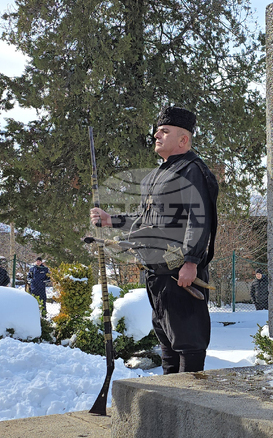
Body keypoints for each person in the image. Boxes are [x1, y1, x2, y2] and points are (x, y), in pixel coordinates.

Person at [90, 106, 218, 374]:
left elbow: (199, 218)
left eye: (164, 131)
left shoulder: (191, 171)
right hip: (156, 276)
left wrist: (192, 261)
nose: (156, 135)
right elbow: (144, 218)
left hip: (180, 275)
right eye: (157, 131)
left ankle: (190, 408)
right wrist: (109, 219)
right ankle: (171, 406)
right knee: (168, 347)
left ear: (183, 140)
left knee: (189, 345)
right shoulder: (156, 176)